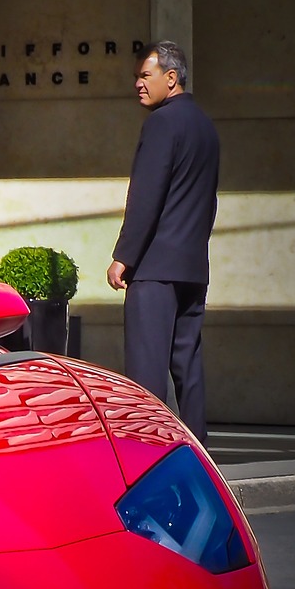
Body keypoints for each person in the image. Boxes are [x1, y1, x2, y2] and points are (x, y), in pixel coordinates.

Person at [106, 41, 219, 442]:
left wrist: (124, 256)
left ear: (171, 78)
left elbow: (146, 196)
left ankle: (148, 451)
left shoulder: (162, 123)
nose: (138, 84)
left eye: (145, 75)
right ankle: (199, 452)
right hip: (193, 268)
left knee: (146, 372)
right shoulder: (205, 126)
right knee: (188, 367)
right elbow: (208, 202)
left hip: (155, 269)